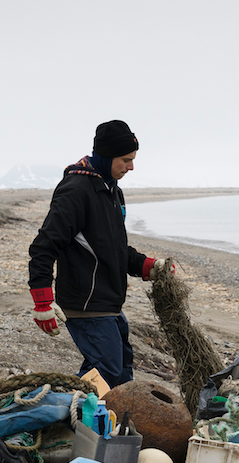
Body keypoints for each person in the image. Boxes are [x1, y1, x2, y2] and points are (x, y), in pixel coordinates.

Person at [28, 120, 170, 390]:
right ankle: (74, 420)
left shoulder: (111, 189)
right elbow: (43, 246)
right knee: (107, 370)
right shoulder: (76, 191)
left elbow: (113, 249)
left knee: (121, 367)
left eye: (133, 160)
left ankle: (109, 423)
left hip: (108, 302)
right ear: (106, 155)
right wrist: (42, 302)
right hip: (86, 304)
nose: (131, 167)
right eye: (126, 160)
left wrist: (147, 266)